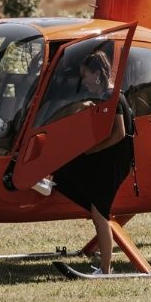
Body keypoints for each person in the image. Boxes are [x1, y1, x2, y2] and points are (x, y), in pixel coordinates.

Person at [51, 50, 136, 275]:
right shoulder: (107, 96)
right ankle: (105, 268)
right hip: (107, 160)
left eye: (85, 75)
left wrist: (91, 151)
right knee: (96, 209)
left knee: (100, 216)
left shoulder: (111, 95)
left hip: (112, 162)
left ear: (97, 74)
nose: (84, 81)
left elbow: (120, 132)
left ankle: (105, 270)